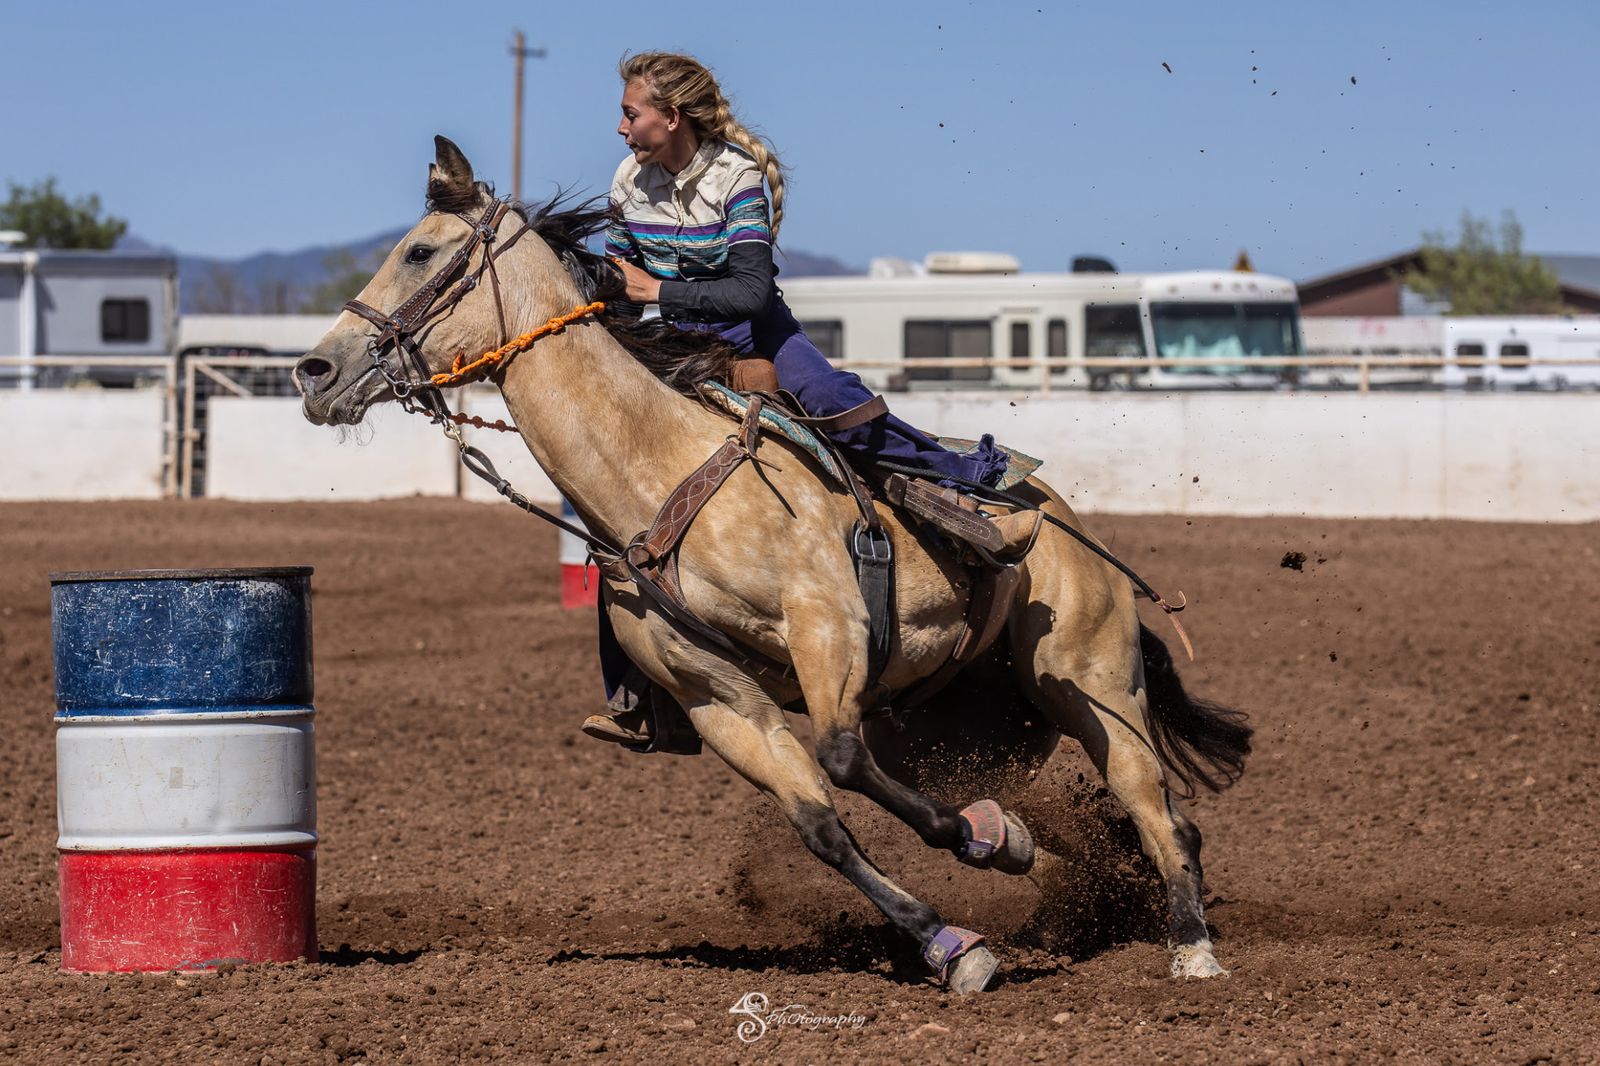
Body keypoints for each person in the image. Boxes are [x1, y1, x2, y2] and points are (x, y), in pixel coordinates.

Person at [583, 52, 1025, 749]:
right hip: (667, 339)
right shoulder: (626, 181)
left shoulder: (737, 178)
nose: (620, 127)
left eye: (630, 113)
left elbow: (751, 294)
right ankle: (641, 695)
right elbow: (618, 277)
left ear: (670, 118)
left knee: (836, 402)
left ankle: (967, 486)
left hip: (749, 332)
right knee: (609, 499)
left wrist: (654, 291)